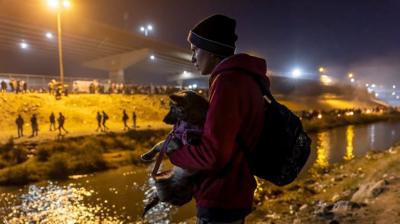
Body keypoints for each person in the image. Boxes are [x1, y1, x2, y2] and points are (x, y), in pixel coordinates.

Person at [166, 14, 269, 224]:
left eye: (195, 50)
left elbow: (214, 155)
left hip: (219, 197)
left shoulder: (227, 83)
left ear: (212, 51)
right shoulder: (247, 79)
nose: (192, 58)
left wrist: (176, 153)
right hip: (236, 193)